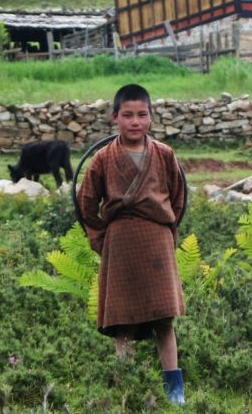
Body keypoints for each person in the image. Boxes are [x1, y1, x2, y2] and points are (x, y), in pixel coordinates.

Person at [78, 84, 187, 405]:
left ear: (151, 117)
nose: (135, 122)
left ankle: (175, 391)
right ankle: (128, 387)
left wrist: (168, 232)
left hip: (157, 243)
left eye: (142, 115)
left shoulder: (165, 155)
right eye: (128, 115)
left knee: (164, 320)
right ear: (115, 118)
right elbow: (86, 204)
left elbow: (178, 198)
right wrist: (102, 239)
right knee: (121, 322)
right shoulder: (101, 159)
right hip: (120, 244)